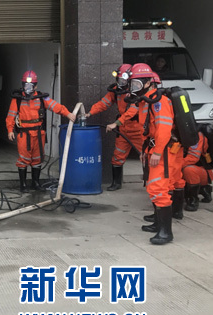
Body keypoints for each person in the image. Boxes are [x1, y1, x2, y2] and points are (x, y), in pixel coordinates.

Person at [126, 63, 178, 245]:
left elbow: (163, 130)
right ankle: (158, 224)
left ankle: (166, 232)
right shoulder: (146, 101)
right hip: (152, 149)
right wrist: (144, 151)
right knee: (152, 187)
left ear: (148, 83)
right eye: (133, 84)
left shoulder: (159, 102)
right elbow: (146, 129)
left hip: (163, 151)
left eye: (137, 84)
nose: (134, 88)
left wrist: (157, 152)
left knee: (159, 188)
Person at [6, 70, 76, 192]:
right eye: (26, 85)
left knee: (37, 158)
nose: (28, 88)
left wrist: (68, 114)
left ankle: (35, 183)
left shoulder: (42, 98)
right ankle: (23, 185)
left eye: (31, 85)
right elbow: (10, 116)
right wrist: (10, 130)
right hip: (24, 134)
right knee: (23, 158)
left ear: (35, 86)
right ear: (22, 85)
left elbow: (56, 106)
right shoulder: (17, 99)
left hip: (38, 134)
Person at [86, 64, 144, 191]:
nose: (121, 83)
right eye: (119, 80)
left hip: (137, 129)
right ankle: (116, 183)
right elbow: (104, 103)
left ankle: (150, 181)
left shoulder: (136, 92)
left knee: (146, 156)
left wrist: (116, 123)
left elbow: (131, 112)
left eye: (123, 80)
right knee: (118, 156)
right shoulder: (116, 91)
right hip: (123, 129)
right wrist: (90, 113)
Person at [182, 124, 213, 212]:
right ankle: (203, 189)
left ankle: (193, 199)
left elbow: (193, 158)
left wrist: (175, 166)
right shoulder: (175, 134)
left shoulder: (196, 136)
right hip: (186, 166)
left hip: (203, 170)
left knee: (188, 170)